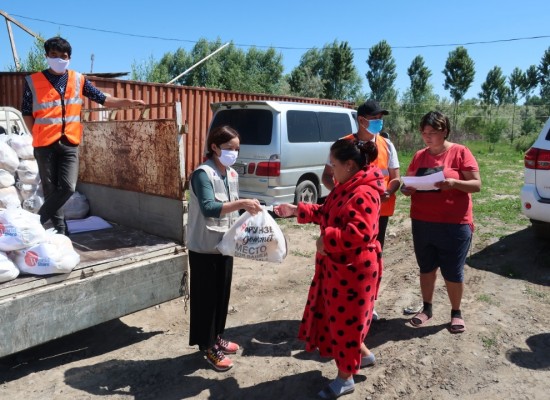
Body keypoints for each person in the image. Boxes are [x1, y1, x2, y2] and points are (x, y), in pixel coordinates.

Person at [275, 138, 384, 399]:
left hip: (353, 272)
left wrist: (327, 240)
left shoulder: (364, 192)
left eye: (333, 165)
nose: (330, 170)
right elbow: (328, 212)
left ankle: (345, 379)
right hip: (339, 269)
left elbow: (359, 232)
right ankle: (363, 355)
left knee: (347, 323)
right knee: (341, 320)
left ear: (349, 165)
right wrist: (296, 210)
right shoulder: (347, 186)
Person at [21, 36, 145, 235]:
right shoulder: (33, 81)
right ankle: (61, 231)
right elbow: (26, 112)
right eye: (54, 54)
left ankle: (35, 222)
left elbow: (103, 99)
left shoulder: (78, 80)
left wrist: (127, 102)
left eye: (63, 56)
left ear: (69, 58)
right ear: (47, 55)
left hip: (69, 143)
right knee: (50, 189)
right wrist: (36, 134)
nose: (59, 59)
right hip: (44, 144)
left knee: (68, 187)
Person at [187, 125, 262, 372]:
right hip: (204, 248)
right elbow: (209, 207)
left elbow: (233, 209)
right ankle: (208, 346)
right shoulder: (203, 174)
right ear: (214, 147)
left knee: (221, 297)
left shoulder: (231, 174)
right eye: (229, 148)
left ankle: (217, 336)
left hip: (225, 246)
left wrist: (248, 215)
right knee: (206, 301)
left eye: (237, 149)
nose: (234, 153)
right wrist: (242, 203)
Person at [400, 111, 481, 334]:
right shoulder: (419, 156)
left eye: (432, 132)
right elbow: (409, 182)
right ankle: (426, 309)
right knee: (426, 268)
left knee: (453, 271)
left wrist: (454, 183)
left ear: (444, 131)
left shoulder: (460, 152)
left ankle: (456, 313)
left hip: (454, 223)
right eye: (424, 132)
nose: (427, 137)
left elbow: (476, 184)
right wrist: (406, 189)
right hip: (422, 221)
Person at [321, 99, 400, 321]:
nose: (379, 122)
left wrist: (389, 191)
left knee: (370, 259)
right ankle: (339, 302)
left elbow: (396, 178)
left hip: (378, 213)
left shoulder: (387, 145)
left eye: (381, 118)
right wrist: (340, 194)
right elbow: (327, 176)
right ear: (361, 120)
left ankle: (368, 304)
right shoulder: (342, 144)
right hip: (346, 212)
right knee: (343, 256)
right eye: (375, 118)